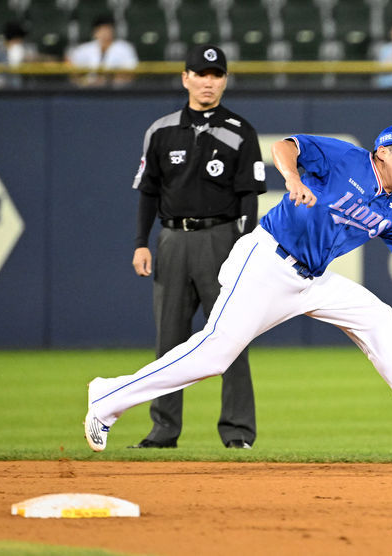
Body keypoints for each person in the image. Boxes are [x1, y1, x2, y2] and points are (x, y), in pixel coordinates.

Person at [85, 123, 392, 454]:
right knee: (214, 354)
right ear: (384, 151)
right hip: (265, 262)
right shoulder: (347, 158)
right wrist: (293, 180)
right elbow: (283, 147)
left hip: (311, 280)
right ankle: (107, 397)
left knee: (377, 316)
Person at [127, 44, 265, 449]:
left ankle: (237, 433)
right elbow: (148, 192)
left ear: (224, 80)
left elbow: (249, 199)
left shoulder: (240, 131)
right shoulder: (161, 129)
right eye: (200, 74)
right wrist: (141, 242)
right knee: (168, 340)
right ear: (185, 77)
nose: (208, 82)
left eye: (216, 74)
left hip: (221, 239)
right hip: (171, 239)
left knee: (230, 336)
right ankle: (163, 430)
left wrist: (243, 251)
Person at [66, 14, 138, 87]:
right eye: (101, 29)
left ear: (113, 31)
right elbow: (71, 69)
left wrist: (108, 80)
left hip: (117, 91)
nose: (105, 33)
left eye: (108, 29)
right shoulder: (84, 49)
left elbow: (131, 73)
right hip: (89, 90)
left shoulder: (125, 48)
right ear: (94, 32)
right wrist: (84, 81)